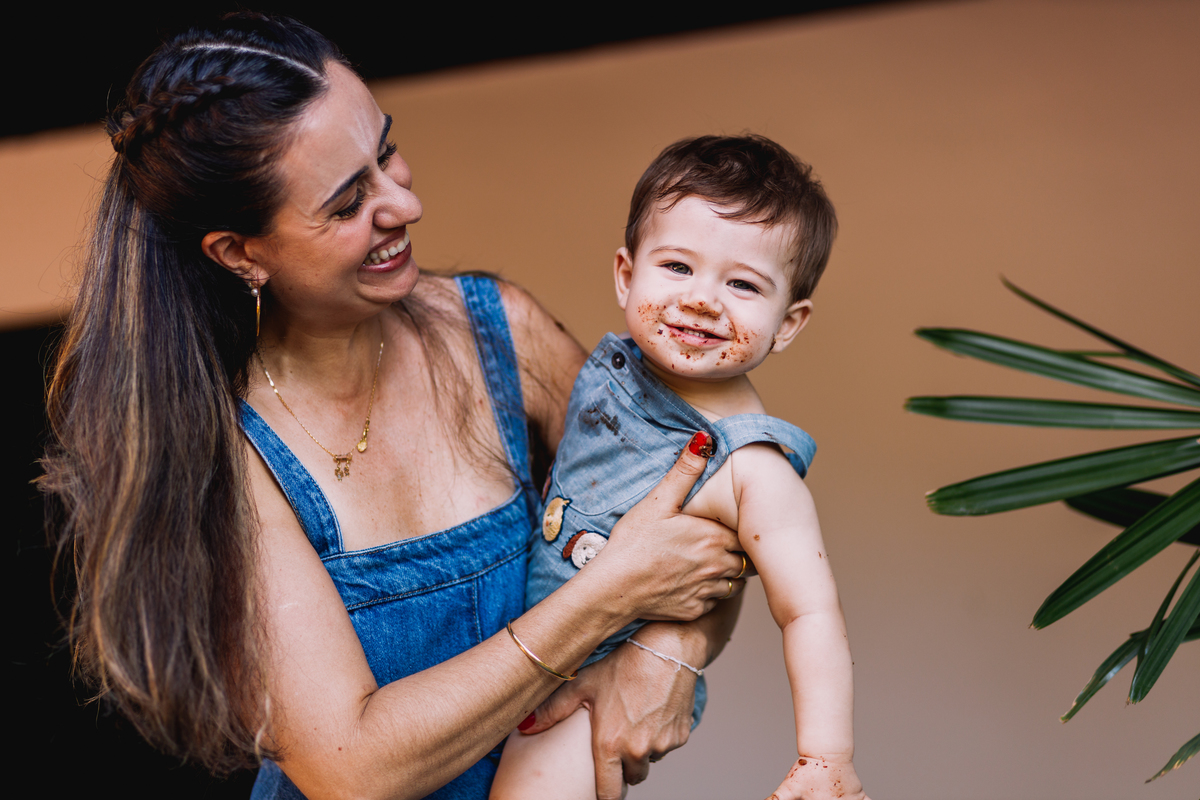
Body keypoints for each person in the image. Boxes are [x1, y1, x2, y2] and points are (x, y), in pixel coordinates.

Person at [40, 14, 749, 800]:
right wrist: (609, 597)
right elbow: (354, 765)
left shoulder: (498, 335)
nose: (402, 206)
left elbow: (713, 503)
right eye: (347, 204)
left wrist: (673, 648)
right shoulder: (226, 452)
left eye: (384, 153)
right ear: (240, 252)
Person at [491, 135, 869, 800]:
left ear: (788, 322)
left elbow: (810, 613)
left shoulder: (752, 468)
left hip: (587, 685)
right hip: (509, 643)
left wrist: (825, 754)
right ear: (624, 274)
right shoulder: (611, 369)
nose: (701, 300)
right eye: (677, 267)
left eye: (744, 284)